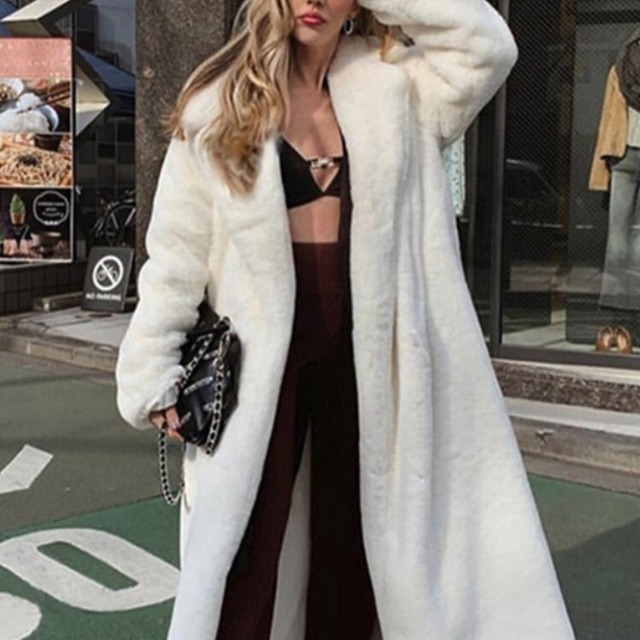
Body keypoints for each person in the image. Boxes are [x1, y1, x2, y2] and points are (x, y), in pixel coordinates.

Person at [116, 0, 576, 638]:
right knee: (244, 550)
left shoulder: (397, 89)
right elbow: (176, 255)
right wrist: (152, 370)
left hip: (371, 353)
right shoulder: (220, 103)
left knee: (354, 544)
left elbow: (488, 46)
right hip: (256, 367)